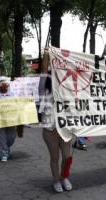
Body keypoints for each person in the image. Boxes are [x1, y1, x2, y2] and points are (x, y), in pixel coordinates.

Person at [41, 51, 74, 193]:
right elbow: (43, 71)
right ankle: (56, 180)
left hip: (66, 128)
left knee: (68, 156)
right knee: (55, 157)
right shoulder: (44, 88)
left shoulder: (69, 89)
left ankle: (64, 177)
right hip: (50, 128)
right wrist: (47, 56)